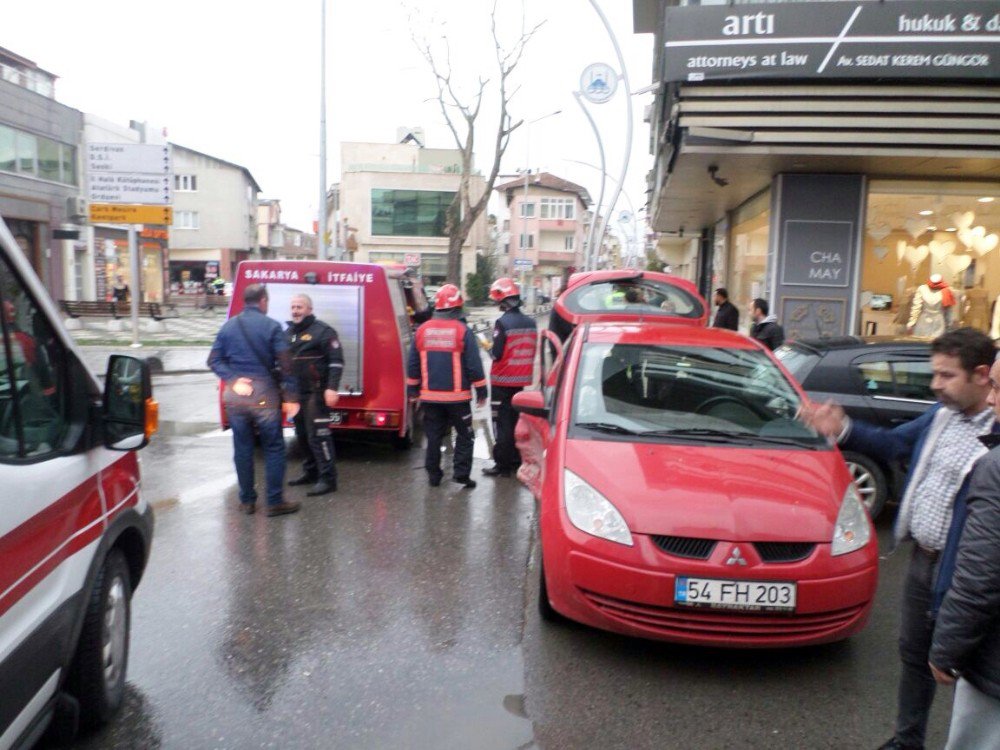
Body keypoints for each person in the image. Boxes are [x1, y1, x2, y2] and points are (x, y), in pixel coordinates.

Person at [802, 328, 997, 750]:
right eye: (935, 374)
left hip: (964, 575)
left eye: (946, 376)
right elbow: (894, 444)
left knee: (972, 674)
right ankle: (908, 741)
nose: (935, 385)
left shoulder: (995, 435)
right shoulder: (941, 414)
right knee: (914, 659)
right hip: (923, 562)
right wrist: (843, 428)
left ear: (982, 375)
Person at [929, 352, 1000, 750]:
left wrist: (946, 650)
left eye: (997, 387)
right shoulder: (941, 417)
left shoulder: (996, 468)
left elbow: (980, 578)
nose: (992, 400)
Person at [208, 283, 301, 517]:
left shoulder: (228, 326)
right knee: (273, 447)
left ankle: (247, 501)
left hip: (235, 397)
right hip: (263, 397)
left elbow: (213, 360)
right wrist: (290, 396)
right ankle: (274, 501)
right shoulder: (271, 327)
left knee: (242, 448)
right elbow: (286, 365)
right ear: (263, 301)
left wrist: (233, 380)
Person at [406, 284, 487, 489]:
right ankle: (461, 474)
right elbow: (474, 365)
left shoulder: (422, 330)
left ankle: (434, 475)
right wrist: (482, 390)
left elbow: (413, 365)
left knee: (433, 436)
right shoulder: (462, 331)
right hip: (457, 399)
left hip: (430, 398)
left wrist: (413, 391)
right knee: (465, 435)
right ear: (457, 308)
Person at [285, 293, 344, 497]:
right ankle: (310, 472)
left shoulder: (324, 332)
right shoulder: (288, 333)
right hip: (296, 394)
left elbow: (336, 361)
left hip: (316, 393)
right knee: (301, 436)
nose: (295, 311)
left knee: (318, 436)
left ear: (309, 309)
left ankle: (328, 479)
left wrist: (332, 387)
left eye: (299, 307)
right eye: (293, 307)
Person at [483, 277, 537, 478]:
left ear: (504, 301)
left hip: (502, 381)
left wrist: (488, 346)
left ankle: (502, 464)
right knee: (515, 421)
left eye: (498, 302)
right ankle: (515, 460)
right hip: (520, 381)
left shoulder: (502, 323)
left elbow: (496, 353)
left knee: (501, 423)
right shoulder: (531, 323)